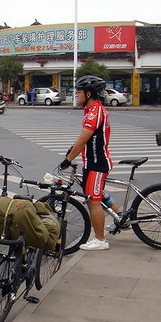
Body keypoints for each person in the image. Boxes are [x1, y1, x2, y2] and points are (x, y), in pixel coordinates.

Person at [60, 75, 113, 251]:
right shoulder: (91, 111)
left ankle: (100, 240)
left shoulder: (95, 111)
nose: (76, 95)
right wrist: (72, 150)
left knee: (93, 202)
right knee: (97, 195)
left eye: (79, 92)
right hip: (92, 162)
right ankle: (120, 215)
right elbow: (84, 139)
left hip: (98, 164)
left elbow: (83, 139)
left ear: (88, 94)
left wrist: (68, 160)